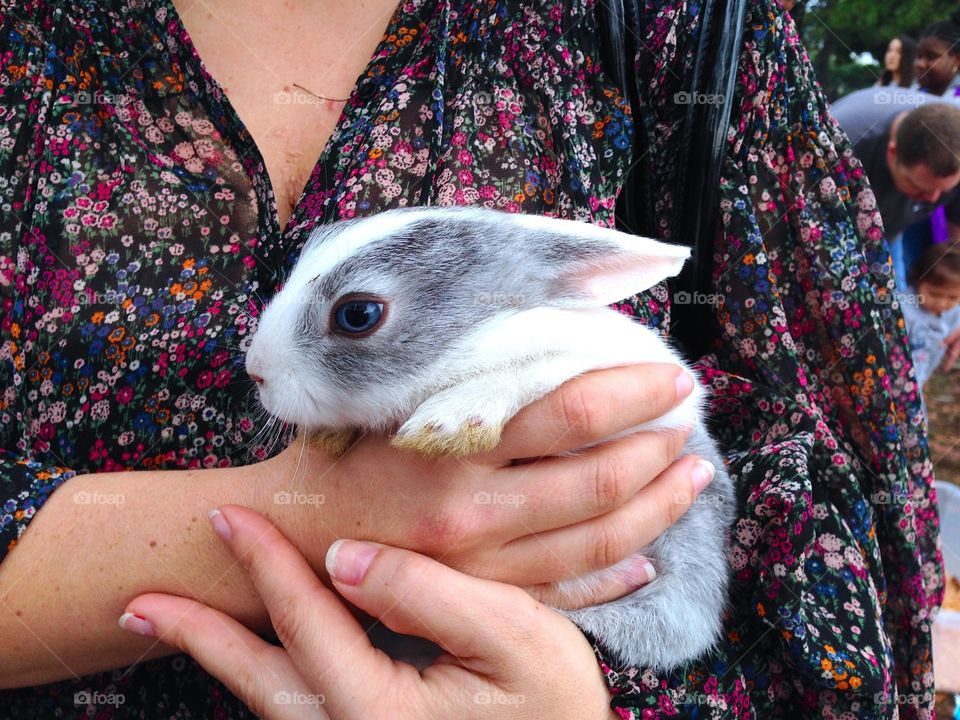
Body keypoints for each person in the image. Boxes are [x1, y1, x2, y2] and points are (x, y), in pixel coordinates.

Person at [0, 1, 944, 720]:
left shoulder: (681, 26)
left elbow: (818, 459)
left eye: (361, 318)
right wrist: (324, 528)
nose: (259, 366)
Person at [829, 87, 960, 284]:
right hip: (836, 226)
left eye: (943, 190)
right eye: (920, 187)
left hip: (890, 230)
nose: (933, 199)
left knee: (894, 298)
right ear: (892, 153)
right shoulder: (842, 143)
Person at [899, 244, 960, 387]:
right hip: (895, 381)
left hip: (919, 380)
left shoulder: (955, 311)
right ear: (918, 280)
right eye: (934, 294)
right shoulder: (904, 309)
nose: (942, 303)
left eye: (952, 297)